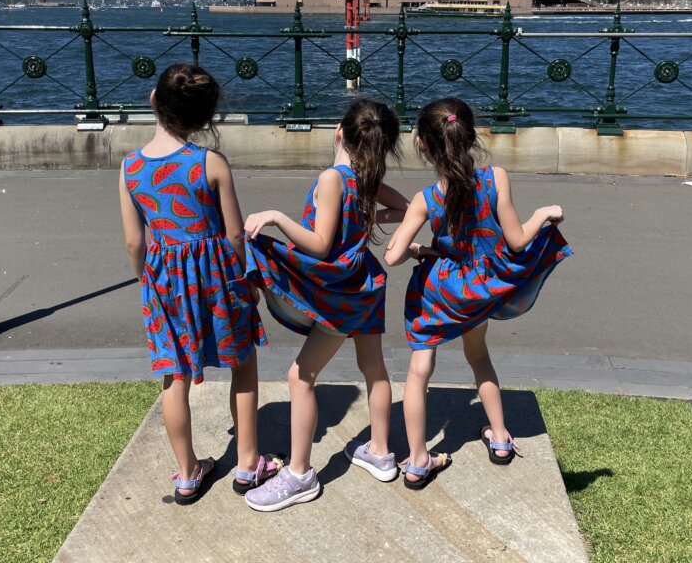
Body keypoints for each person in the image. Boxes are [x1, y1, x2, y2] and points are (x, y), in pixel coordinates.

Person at [384, 97, 572, 489]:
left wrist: (419, 248)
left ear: (422, 145)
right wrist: (543, 214)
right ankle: (500, 438)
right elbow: (518, 241)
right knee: (478, 356)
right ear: (470, 136)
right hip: (479, 291)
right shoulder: (495, 177)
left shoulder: (425, 200)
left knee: (419, 371)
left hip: (439, 296)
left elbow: (394, 256)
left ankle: (418, 460)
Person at [119, 62, 281, 505]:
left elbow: (135, 239)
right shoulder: (210, 162)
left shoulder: (130, 167)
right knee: (242, 364)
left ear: (154, 100)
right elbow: (232, 234)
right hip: (216, 278)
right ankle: (248, 463)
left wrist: (145, 280)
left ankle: (188, 473)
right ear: (206, 118)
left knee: (174, 375)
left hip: (164, 282)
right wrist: (246, 278)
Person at [240, 98, 408, 512]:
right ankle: (381, 452)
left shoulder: (333, 178)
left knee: (301, 377)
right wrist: (369, 218)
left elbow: (320, 244)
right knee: (374, 367)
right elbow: (404, 207)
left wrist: (278, 217)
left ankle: (299, 475)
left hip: (342, 293)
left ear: (339, 130)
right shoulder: (365, 179)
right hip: (366, 284)